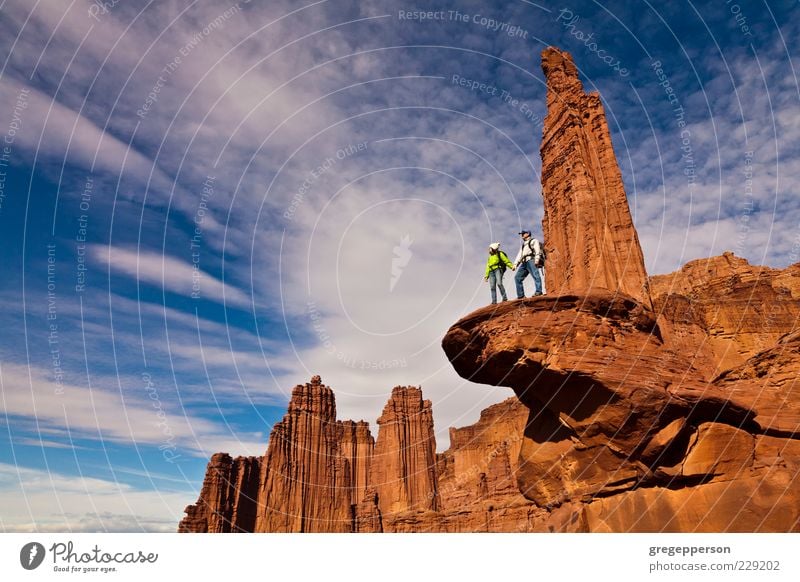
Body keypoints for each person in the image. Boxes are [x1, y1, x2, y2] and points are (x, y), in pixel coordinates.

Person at [514, 230, 544, 298]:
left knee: (536, 275)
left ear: (528, 234)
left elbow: (537, 250)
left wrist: (537, 260)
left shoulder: (534, 240)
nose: (522, 235)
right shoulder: (523, 244)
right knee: (517, 278)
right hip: (524, 262)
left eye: (523, 234)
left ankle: (539, 292)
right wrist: (515, 264)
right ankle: (521, 295)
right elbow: (520, 254)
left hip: (531, 260)